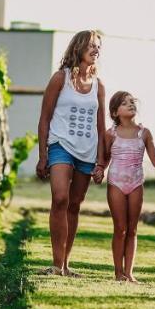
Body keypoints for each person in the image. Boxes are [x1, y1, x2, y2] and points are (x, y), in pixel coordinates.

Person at [36, 30, 107, 276]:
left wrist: (101, 161)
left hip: (87, 151)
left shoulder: (99, 86)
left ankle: (65, 264)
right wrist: (43, 154)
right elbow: (44, 118)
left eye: (98, 46)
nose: (96, 50)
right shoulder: (60, 78)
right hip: (60, 144)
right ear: (78, 48)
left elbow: (101, 127)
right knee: (60, 199)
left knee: (75, 205)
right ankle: (56, 264)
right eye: (91, 46)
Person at [100, 91, 155, 283]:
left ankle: (129, 273)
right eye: (124, 103)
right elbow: (104, 160)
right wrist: (98, 171)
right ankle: (118, 272)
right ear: (115, 112)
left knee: (132, 229)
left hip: (136, 183)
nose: (130, 105)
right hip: (116, 183)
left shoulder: (144, 133)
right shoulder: (110, 134)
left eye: (132, 102)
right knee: (120, 228)